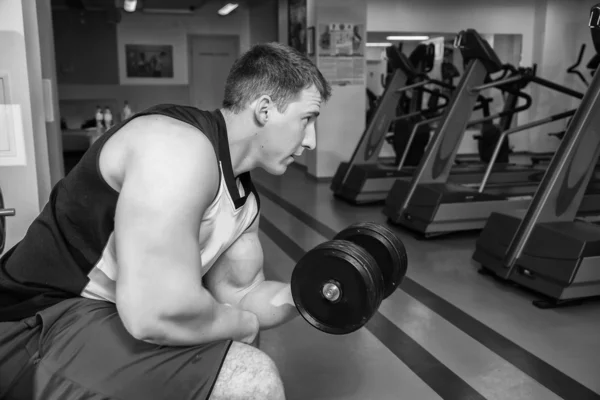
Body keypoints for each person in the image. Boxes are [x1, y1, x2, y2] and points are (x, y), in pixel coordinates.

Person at [0, 42, 331, 400]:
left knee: (232, 339)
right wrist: (243, 324)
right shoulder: (176, 146)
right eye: (307, 119)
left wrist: (315, 291)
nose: (311, 140)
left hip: (105, 315)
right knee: (251, 378)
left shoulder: (244, 201)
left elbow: (242, 295)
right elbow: (157, 313)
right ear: (265, 109)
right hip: (36, 321)